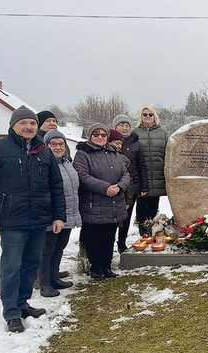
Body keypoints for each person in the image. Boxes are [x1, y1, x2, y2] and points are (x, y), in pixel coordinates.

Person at [0, 106, 66, 333]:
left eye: (33, 123)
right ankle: (11, 312)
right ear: (13, 125)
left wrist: (58, 216)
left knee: (31, 264)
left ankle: (23, 303)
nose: (29, 127)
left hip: (38, 220)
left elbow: (56, 186)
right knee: (11, 267)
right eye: (24, 123)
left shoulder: (44, 152)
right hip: (11, 220)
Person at [73, 124, 130, 280]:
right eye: (96, 134)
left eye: (103, 135)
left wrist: (119, 187)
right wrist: (106, 188)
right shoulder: (83, 153)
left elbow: (125, 173)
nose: (100, 137)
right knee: (95, 237)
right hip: (94, 203)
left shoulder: (113, 152)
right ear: (90, 136)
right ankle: (96, 268)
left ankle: (107, 266)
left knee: (109, 236)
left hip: (114, 202)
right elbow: (83, 176)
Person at [37, 130, 81, 297]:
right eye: (53, 144)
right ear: (46, 145)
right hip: (51, 215)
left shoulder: (67, 162)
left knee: (59, 248)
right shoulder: (43, 164)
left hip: (67, 213)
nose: (58, 147)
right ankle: (44, 283)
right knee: (46, 250)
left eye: (61, 144)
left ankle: (54, 278)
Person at [112, 114, 148, 252]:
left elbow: (141, 166)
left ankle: (121, 242)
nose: (124, 128)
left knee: (126, 216)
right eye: (121, 124)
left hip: (131, 186)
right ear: (115, 126)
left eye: (127, 125)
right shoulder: (108, 141)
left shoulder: (136, 143)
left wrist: (144, 186)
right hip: (113, 186)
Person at [131, 107, 169, 235]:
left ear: (154, 116)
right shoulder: (134, 133)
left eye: (150, 114)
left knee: (153, 209)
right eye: (145, 114)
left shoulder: (162, 133)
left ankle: (153, 234)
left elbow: (168, 154)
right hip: (141, 178)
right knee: (141, 211)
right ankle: (143, 236)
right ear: (141, 117)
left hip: (157, 176)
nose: (147, 116)